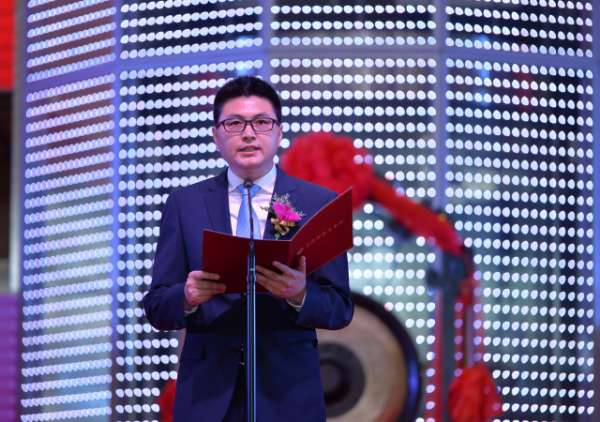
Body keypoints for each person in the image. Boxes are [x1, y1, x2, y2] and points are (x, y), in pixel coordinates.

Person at [143, 76, 353, 422]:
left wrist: (300, 294)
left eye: (262, 122)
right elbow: (156, 306)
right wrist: (188, 296)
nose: (249, 133)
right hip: (208, 397)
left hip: (288, 395)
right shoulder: (185, 204)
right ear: (216, 135)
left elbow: (340, 309)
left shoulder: (317, 202)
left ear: (279, 132)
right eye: (234, 123)